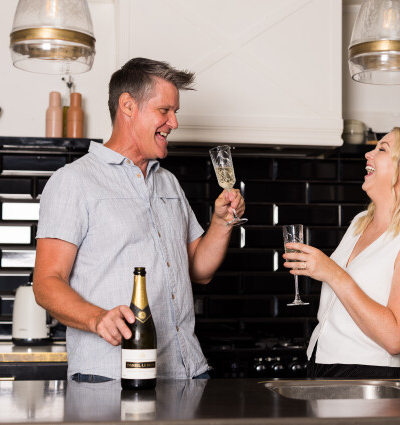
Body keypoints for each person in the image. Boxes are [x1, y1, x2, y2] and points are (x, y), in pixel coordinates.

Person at [33, 58, 245, 382]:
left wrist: (221, 222)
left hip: (187, 372)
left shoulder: (168, 183)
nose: (174, 122)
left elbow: (199, 271)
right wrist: (96, 318)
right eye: (164, 110)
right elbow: (47, 282)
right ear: (128, 105)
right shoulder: (74, 181)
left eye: (175, 112)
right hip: (109, 377)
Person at [283, 127, 400, 378]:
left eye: (382, 149)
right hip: (320, 364)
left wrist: (332, 272)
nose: (368, 154)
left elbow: (397, 339)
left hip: (368, 375)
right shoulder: (360, 222)